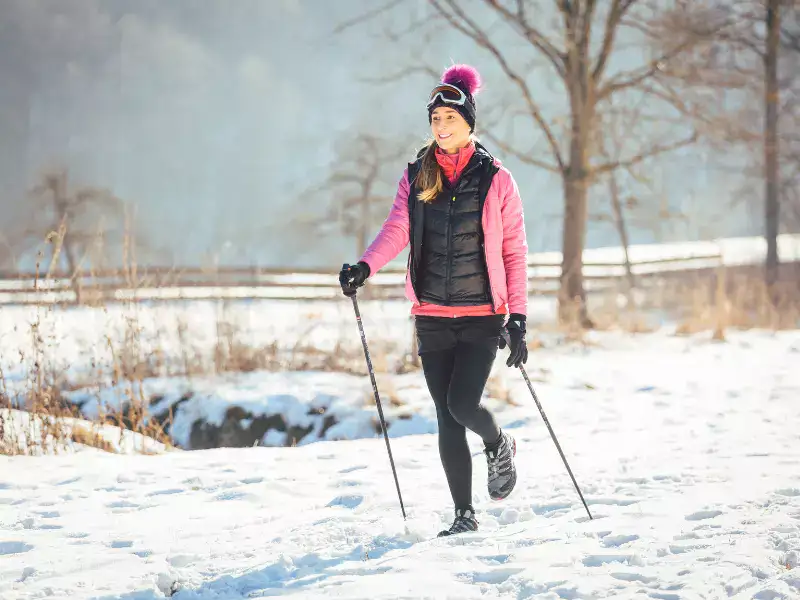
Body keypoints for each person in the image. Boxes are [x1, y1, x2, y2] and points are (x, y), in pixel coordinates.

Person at [339, 64, 529, 537]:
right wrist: (365, 266)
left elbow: (513, 250)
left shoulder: (496, 179)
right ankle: (464, 515)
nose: (441, 127)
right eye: (435, 119)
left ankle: (497, 441)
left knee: (464, 404)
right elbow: (397, 229)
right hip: (431, 315)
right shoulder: (417, 174)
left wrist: (519, 316)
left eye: (450, 118)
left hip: (484, 314)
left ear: (469, 123)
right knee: (446, 416)